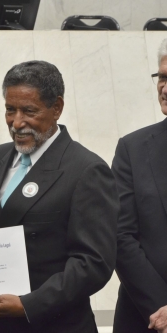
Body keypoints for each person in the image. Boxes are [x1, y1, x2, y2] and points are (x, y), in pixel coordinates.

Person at [0, 60, 119, 333]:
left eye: (29, 111)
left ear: (57, 108)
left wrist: (29, 304)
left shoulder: (86, 170)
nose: (17, 122)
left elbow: (93, 263)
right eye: (9, 110)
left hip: (54, 323)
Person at [112, 38, 167, 333]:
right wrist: (161, 307)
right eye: (163, 77)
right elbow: (120, 234)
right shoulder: (132, 149)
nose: (165, 88)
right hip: (144, 317)